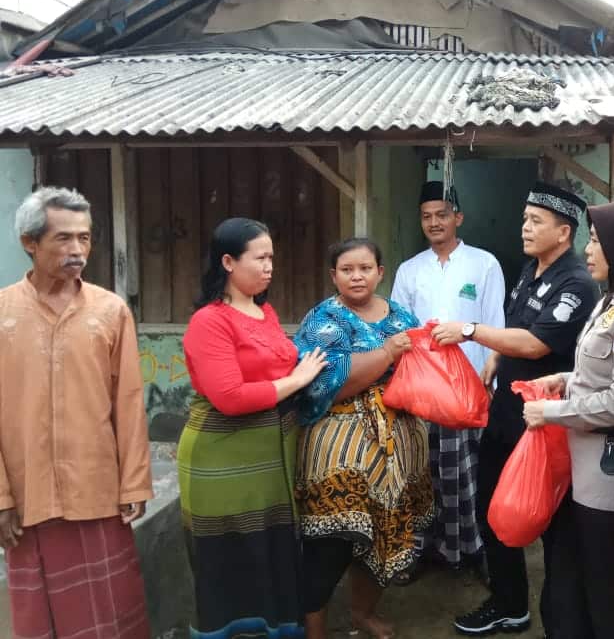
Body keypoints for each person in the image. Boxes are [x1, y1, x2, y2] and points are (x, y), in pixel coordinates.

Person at [435, 181, 599, 637]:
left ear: (564, 232)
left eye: (535, 222)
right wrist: (494, 357)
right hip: (508, 416)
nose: (524, 228)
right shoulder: (531, 270)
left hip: (545, 427)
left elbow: (536, 341)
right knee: (492, 510)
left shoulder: (576, 284)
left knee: (547, 523)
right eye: (525, 219)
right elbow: (515, 328)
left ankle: (561, 618)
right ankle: (510, 604)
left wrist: (471, 331)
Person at [0, 187, 153, 639]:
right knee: (38, 618)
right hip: (28, 496)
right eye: (63, 239)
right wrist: (1, 497)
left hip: (97, 489)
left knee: (109, 613)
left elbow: (128, 399)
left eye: (84, 239)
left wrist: (135, 481)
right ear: (30, 242)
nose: (77, 251)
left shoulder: (110, 310)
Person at [522, 200, 614, 639]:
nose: (588, 249)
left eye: (596, 239)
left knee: (612, 591)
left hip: (613, 473)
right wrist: (565, 379)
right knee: (580, 579)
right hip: (589, 466)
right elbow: (602, 373)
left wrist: (550, 412)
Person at [179, 217, 327, 638]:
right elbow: (229, 397)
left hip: (269, 463)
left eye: (271, 259)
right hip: (223, 464)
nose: (269, 267)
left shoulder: (264, 312)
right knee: (230, 559)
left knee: (271, 553)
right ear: (228, 261)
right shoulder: (210, 322)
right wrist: (297, 380)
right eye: (259, 258)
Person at [294, 238, 434, 639]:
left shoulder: (402, 317)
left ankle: (362, 613)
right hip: (338, 453)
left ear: (380, 273)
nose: (356, 276)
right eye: (347, 270)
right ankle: (315, 629)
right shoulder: (323, 321)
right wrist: (388, 354)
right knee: (332, 541)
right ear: (333, 275)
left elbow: (423, 372)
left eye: (365, 268)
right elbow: (325, 386)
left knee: (382, 538)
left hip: (398, 448)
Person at [390, 181, 505, 572]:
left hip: (468, 391)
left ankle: (469, 551)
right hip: (422, 393)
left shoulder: (484, 263)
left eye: (442, 214)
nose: (434, 222)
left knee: (466, 477)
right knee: (422, 476)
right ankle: (424, 551)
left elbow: (494, 324)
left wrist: (492, 376)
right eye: (427, 216)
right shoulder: (409, 270)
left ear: (458, 217)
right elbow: (400, 330)